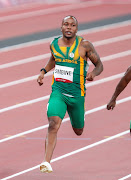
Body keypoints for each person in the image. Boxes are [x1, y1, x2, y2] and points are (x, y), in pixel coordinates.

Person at [37, 15, 103, 173]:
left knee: (78, 131)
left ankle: (79, 116)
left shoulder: (85, 46)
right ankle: (46, 162)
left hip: (77, 96)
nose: (69, 27)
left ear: (76, 29)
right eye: (66, 24)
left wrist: (93, 73)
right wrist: (43, 71)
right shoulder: (54, 44)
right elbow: (54, 59)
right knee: (53, 124)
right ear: (61, 27)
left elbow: (99, 64)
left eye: (72, 25)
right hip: (58, 91)